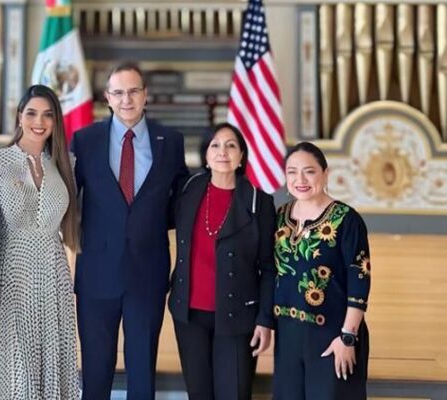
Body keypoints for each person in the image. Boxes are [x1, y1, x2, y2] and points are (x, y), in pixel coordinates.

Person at [70, 62, 188, 399]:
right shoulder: (85, 140)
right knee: (95, 373)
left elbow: (181, 202)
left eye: (134, 91)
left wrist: (149, 225)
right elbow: (68, 199)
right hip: (97, 275)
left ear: (145, 95)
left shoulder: (170, 142)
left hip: (147, 274)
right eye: (118, 92)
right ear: (107, 97)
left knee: (142, 374)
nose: (126, 99)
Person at [0, 85, 80, 399]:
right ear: (19, 116)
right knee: (12, 356)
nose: (39, 121)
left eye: (48, 115)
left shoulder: (66, 164)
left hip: (53, 276)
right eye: (32, 113)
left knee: (48, 355)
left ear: (56, 121)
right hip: (9, 273)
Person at [168, 123, 276, 400]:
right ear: (205, 155)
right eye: (215, 145)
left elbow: (268, 267)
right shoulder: (188, 190)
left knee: (234, 394)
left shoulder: (259, 202)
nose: (222, 152)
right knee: (199, 394)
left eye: (231, 145)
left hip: (238, 317)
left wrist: (265, 319)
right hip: (189, 315)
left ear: (241, 156)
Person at [273, 142, 371, 400]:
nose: (300, 180)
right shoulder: (280, 216)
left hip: (333, 337)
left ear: (325, 174)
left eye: (309, 171)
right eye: (292, 172)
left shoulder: (347, 219)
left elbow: (360, 280)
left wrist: (347, 337)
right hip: (288, 336)